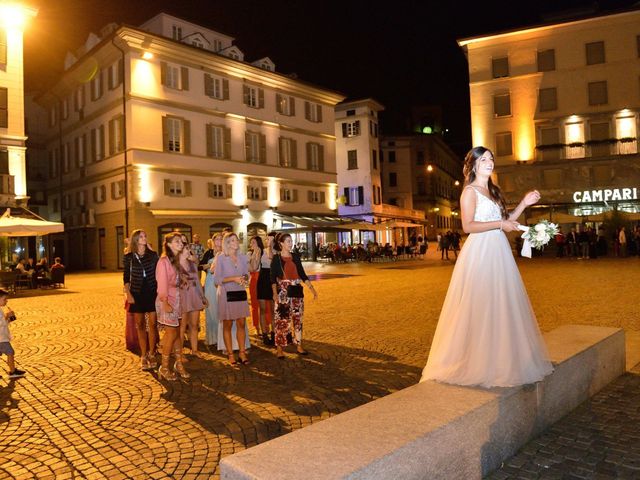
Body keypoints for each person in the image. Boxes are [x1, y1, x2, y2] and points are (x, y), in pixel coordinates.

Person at [421, 146, 553, 388]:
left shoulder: (493, 192)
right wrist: (500, 223)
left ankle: (501, 360)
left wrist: (524, 203)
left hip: (498, 250)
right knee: (480, 304)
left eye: (491, 158)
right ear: (473, 165)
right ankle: (476, 362)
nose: (489, 162)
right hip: (480, 251)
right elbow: (468, 226)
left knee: (501, 302)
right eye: (484, 159)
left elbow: (507, 222)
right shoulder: (469, 192)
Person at [270, 232, 318, 359]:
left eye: (291, 241)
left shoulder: (295, 257)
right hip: (283, 292)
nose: (290, 244)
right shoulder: (276, 258)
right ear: (281, 244)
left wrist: (311, 288)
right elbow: (272, 278)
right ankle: (280, 348)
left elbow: (302, 274)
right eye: (288, 241)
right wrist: (275, 293)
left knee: (298, 319)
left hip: (297, 291)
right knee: (282, 320)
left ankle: (299, 345)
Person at [123, 230, 160, 371]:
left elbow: (159, 271)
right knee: (140, 325)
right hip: (137, 292)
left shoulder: (152, 255)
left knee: (152, 324)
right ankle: (143, 355)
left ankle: (152, 353)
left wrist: (153, 252)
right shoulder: (129, 257)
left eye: (145, 236)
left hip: (151, 291)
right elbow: (126, 277)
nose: (144, 238)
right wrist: (129, 294)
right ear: (136, 240)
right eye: (141, 237)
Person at [214, 232, 251, 366]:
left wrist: (245, 279)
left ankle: (242, 352)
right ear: (227, 243)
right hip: (226, 293)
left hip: (240, 293)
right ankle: (230, 354)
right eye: (233, 240)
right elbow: (217, 279)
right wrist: (233, 279)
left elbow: (246, 274)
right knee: (227, 324)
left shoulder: (242, 257)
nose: (236, 242)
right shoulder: (221, 258)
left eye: (236, 240)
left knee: (241, 323)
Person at [155, 232, 187, 381]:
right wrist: (166, 302)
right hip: (167, 301)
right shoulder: (163, 261)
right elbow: (161, 286)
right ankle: (164, 367)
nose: (180, 243)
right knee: (171, 334)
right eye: (176, 241)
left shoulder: (175, 260)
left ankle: (178, 364)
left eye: (181, 241)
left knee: (178, 333)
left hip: (177, 300)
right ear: (168, 244)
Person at [178, 234, 207, 362]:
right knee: (182, 325)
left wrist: (202, 296)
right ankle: (179, 353)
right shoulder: (175, 261)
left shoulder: (192, 262)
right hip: (183, 294)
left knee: (194, 324)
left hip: (194, 293)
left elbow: (196, 278)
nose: (185, 246)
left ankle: (194, 350)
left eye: (186, 244)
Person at [0, 289, 25, 378]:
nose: (6, 301)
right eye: (4, 299)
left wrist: (10, 318)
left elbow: (4, 323)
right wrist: (7, 316)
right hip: (2, 339)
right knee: (10, 352)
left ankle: (12, 370)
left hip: (2, 337)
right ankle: (12, 371)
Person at [203, 233, 223, 348]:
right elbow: (199, 266)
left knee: (221, 309)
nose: (219, 241)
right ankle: (213, 338)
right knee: (211, 309)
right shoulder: (209, 252)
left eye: (221, 239)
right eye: (217, 239)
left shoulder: (226, 253)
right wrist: (208, 265)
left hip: (222, 282)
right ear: (213, 241)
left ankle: (222, 338)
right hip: (210, 282)